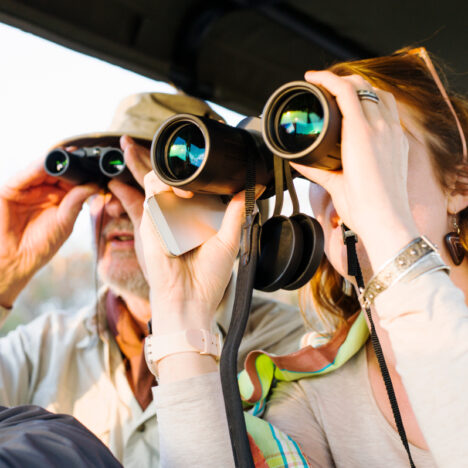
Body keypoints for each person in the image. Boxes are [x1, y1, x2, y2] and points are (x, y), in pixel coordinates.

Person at [138, 48, 468, 467]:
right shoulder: (306, 393)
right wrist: (181, 315)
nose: (348, 179)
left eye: (375, 146)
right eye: (319, 158)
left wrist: (386, 225)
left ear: (459, 184)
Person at [0, 92, 306, 467]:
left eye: (147, 180)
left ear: (224, 199)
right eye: (104, 182)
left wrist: (183, 305)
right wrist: (4, 275)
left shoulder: (291, 346)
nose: (115, 203)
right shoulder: (41, 347)